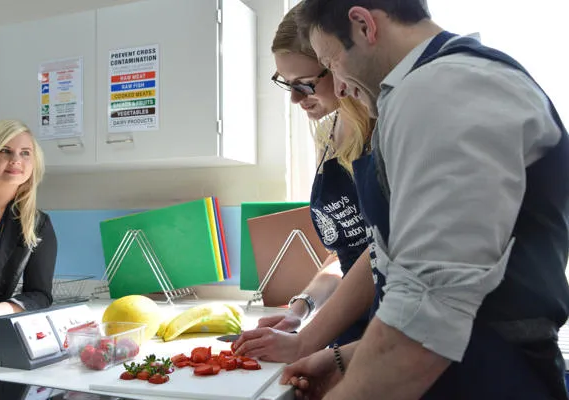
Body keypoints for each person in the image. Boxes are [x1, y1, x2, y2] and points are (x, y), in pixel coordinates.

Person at [282, 0, 569, 399]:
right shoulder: (423, 92)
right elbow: (426, 283)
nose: (340, 86)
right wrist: (344, 358)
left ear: (364, 25)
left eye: (332, 64)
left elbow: (429, 313)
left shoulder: (444, 89)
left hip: (488, 383)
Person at [232, 3, 376, 363]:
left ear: (336, 65)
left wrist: (306, 341)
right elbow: (346, 252)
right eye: (286, 84)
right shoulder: (326, 133)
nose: (295, 99)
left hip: (383, 333)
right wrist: (301, 308)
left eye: (305, 84)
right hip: (344, 329)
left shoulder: (382, 130)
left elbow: (381, 255)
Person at [0, 120, 57, 328]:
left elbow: (40, 294)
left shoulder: (37, 223)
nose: (16, 160)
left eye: (25, 153)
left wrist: (5, 308)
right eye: (5, 151)